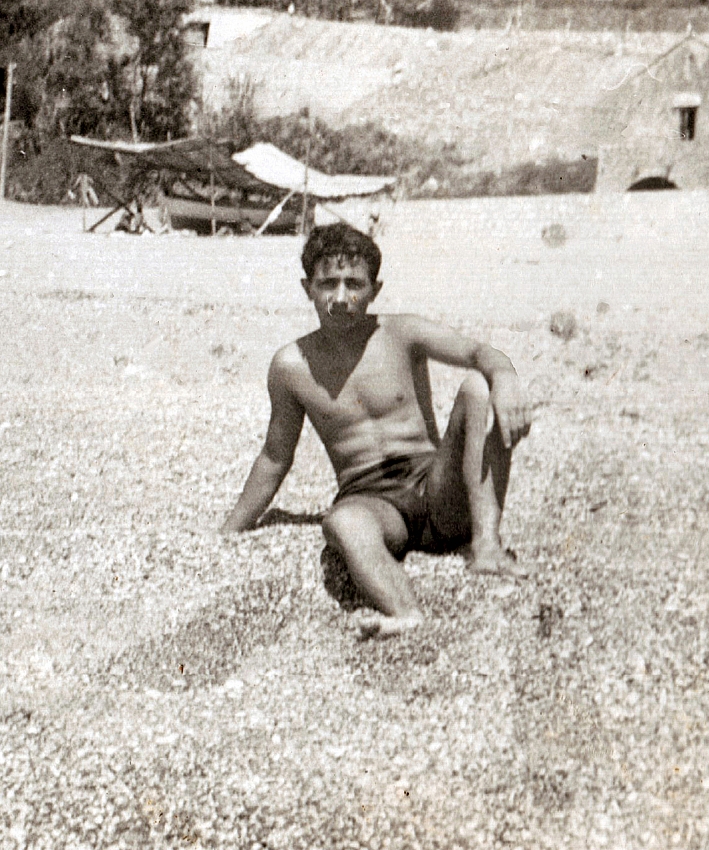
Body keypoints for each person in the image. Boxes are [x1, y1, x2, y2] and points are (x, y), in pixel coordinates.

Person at [221, 223, 532, 638]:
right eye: (328, 284)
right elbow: (276, 456)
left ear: (375, 289)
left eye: (355, 284)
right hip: (372, 501)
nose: (341, 298)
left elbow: (478, 352)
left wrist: (506, 375)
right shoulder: (291, 365)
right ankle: (405, 612)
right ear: (307, 288)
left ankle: (487, 547)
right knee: (342, 524)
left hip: (435, 486)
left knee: (478, 386)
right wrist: (229, 531)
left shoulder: (401, 333)